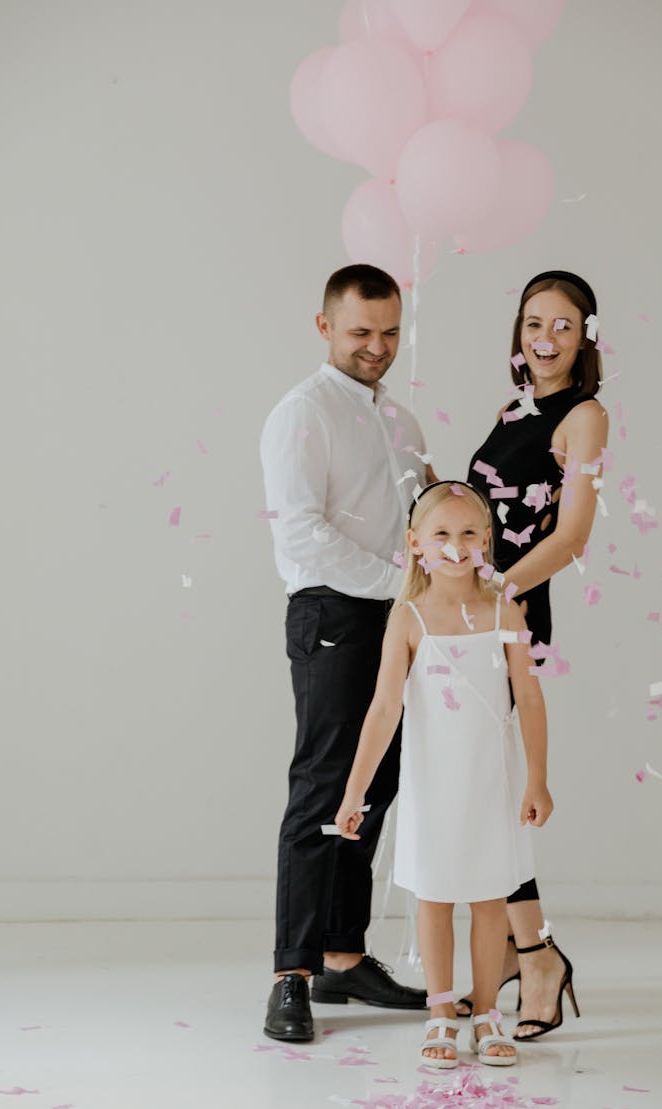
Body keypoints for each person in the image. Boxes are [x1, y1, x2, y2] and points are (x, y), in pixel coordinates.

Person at [260, 264, 433, 1043]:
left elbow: (415, 516)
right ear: (324, 324)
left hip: (395, 618)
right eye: (361, 331)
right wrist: (401, 584)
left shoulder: (400, 421)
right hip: (333, 611)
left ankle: (343, 953)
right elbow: (302, 534)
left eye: (390, 331)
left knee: (377, 784)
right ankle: (290, 976)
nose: (377, 346)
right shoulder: (300, 414)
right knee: (324, 785)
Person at [335, 480, 559, 1068]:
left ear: (486, 540)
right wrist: (355, 790)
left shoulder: (505, 610)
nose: (456, 547)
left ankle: (486, 1013)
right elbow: (384, 709)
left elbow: (529, 700)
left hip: (493, 780)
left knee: (489, 899)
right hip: (433, 781)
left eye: (467, 534)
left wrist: (537, 778)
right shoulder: (407, 619)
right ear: (415, 544)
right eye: (441, 535)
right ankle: (441, 1013)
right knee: (434, 898)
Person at [461, 269, 608, 1040]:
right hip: (466, 607)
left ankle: (538, 953)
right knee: (478, 786)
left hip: (510, 609)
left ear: (587, 335)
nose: (544, 339)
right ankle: (529, 948)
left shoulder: (585, 416)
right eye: (531, 323)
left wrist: (493, 591)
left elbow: (572, 535)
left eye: (561, 325)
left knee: (490, 787)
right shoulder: (511, 406)